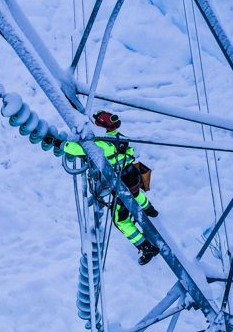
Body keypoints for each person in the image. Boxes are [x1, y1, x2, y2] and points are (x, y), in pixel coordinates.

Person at [64, 110, 161, 264]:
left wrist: (61, 142)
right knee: (136, 194)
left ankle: (146, 247)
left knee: (120, 220)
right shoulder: (118, 135)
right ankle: (150, 209)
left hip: (122, 184)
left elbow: (71, 148)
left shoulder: (101, 144)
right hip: (132, 176)